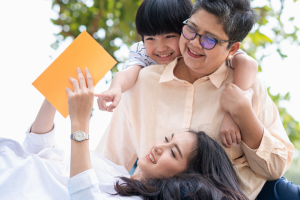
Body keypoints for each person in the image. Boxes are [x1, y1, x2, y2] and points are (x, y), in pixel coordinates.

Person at [95, 0, 296, 199]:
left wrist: (242, 113)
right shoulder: (142, 83)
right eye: (191, 29)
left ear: (233, 49)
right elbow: (108, 162)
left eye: (209, 40)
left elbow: (275, 169)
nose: (194, 43)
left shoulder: (248, 86)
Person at [0, 68, 247, 200]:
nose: (160, 147)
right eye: (167, 139)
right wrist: (53, 99)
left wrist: (80, 123)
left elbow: (85, 196)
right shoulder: (115, 174)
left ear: (185, 178)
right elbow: (37, 150)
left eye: (173, 152)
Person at [96, 0, 258, 148]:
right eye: (150, 38)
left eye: (169, 37)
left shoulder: (216, 50)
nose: (160, 47)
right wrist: (115, 88)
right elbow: (127, 73)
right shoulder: (143, 54)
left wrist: (233, 112)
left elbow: (248, 63)